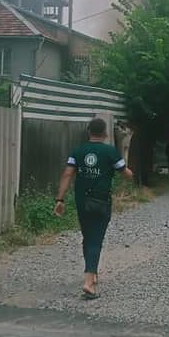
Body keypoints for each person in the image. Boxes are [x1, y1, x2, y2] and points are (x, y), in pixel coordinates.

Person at [54, 117, 133, 299]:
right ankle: (89, 282)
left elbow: (67, 174)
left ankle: (92, 271)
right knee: (96, 239)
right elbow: (126, 174)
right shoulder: (110, 151)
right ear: (105, 133)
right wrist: (129, 173)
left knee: (88, 237)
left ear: (89, 132)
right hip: (101, 201)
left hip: (82, 201)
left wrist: (60, 199)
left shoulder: (78, 151)